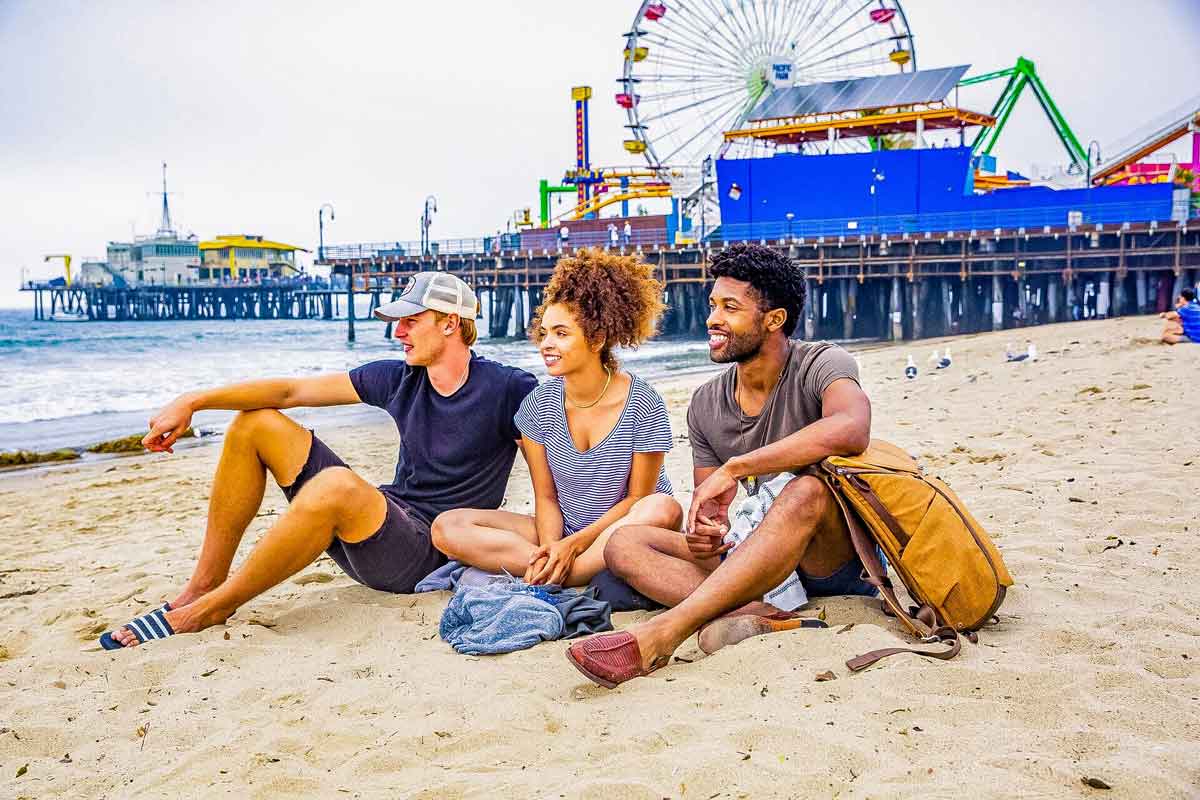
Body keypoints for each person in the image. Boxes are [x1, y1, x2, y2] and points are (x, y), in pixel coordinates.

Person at [100, 272, 537, 649]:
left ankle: (216, 607)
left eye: (411, 321)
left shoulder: (508, 388)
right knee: (255, 423)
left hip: (427, 553)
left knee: (337, 485)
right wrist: (193, 401)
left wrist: (556, 543)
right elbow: (291, 392)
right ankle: (205, 584)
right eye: (398, 322)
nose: (398, 332)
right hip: (383, 528)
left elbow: (554, 471)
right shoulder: (398, 378)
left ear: (450, 323)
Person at [565, 243, 874, 688]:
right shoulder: (707, 403)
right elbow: (713, 522)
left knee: (807, 488)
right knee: (624, 543)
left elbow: (851, 428)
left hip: (829, 559)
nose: (712, 318)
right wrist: (706, 533)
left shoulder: (822, 363)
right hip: (755, 555)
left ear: (774, 319)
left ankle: (663, 633)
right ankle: (755, 614)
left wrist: (737, 468)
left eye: (730, 308)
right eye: (713, 305)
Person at [432, 248, 681, 588]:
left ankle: (568, 572)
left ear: (597, 338)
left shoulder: (642, 403)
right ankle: (555, 568)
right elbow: (547, 498)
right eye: (545, 332)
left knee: (663, 507)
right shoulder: (538, 406)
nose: (546, 344)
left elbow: (637, 499)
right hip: (565, 527)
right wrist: (552, 546)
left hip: (624, 528)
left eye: (561, 334)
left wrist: (574, 545)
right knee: (447, 527)